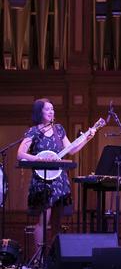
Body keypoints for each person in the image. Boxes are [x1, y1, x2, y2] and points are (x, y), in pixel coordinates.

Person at [17, 98, 96, 248]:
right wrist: (38, 159)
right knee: (43, 220)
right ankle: (39, 258)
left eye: (52, 109)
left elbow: (71, 150)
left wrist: (86, 138)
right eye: (47, 109)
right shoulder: (33, 132)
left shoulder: (59, 129)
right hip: (42, 180)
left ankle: (55, 258)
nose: (51, 112)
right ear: (39, 112)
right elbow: (20, 154)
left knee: (57, 222)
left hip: (59, 180)